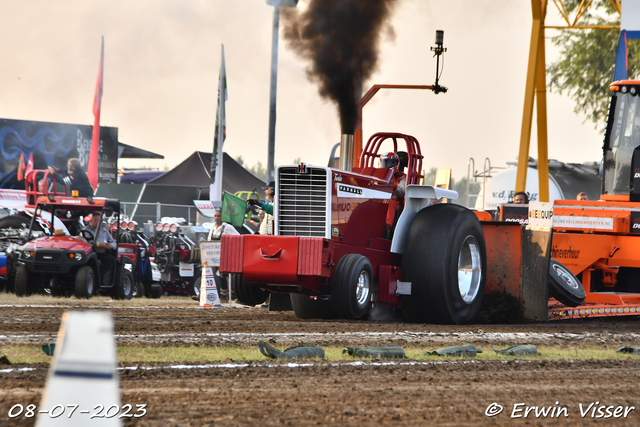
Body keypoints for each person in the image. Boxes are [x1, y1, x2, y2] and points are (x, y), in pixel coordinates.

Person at [83, 212, 117, 285]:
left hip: (101, 253)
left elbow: (114, 243)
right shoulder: (86, 230)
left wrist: (110, 245)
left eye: (98, 220)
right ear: (91, 221)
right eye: (95, 220)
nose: (97, 222)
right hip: (90, 253)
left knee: (112, 260)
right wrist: (98, 244)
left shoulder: (105, 232)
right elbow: (84, 242)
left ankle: (104, 278)